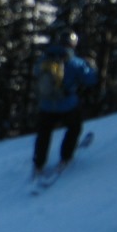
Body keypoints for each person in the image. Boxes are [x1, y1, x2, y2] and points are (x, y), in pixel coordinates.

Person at [32, 30, 98, 178]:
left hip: (46, 104)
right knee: (74, 128)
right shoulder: (74, 61)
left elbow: (36, 73)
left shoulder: (45, 58)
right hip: (67, 105)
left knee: (44, 134)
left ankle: (38, 164)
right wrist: (92, 66)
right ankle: (65, 157)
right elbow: (90, 80)